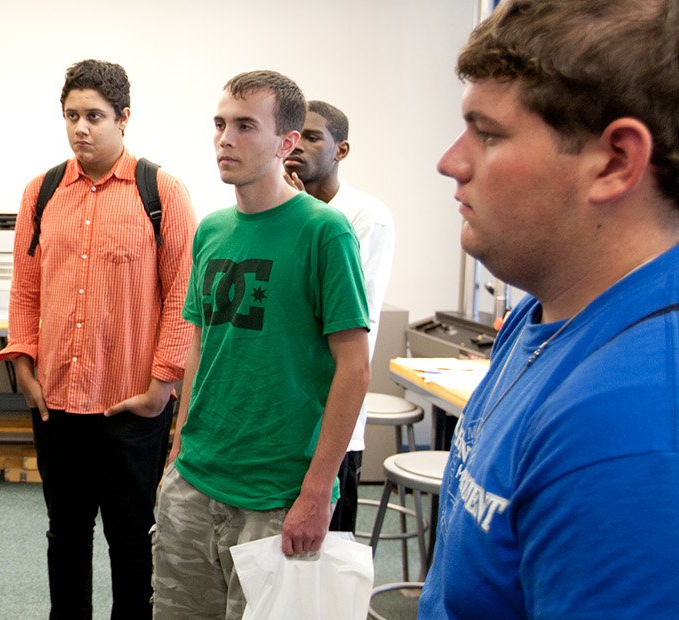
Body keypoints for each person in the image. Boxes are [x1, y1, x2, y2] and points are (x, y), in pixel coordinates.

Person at [420, 0, 679, 617]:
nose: (451, 161)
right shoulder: (543, 311)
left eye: (488, 133)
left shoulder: (632, 423)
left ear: (614, 162)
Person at [151, 70, 370, 620]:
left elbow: (354, 368)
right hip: (195, 481)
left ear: (286, 142)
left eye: (245, 126)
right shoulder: (211, 229)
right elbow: (200, 345)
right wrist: (177, 451)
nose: (225, 139)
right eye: (220, 124)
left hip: (277, 496)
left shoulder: (325, 232)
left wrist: (317, 492)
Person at [0, 58, 197, 619]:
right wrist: (24, 368)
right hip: (57, 403)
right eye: (71, 116)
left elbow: (184, 296)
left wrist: (161, 388)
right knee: (65, 534)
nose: (80, 128)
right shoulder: (42, 192)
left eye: (94, 116)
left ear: (123, 118)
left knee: (132, 539)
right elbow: (26, 288)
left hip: (131, 405)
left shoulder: (162, 192)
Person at [283, 99, 396, 533]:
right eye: (295, 135)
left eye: (313, 137)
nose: (299, 145)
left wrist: (303, 215)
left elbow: (344, 309)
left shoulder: (367, 216)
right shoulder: (274, 209)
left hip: (332, 418)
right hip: (282, 412)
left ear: (341, 150)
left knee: (323, 551)